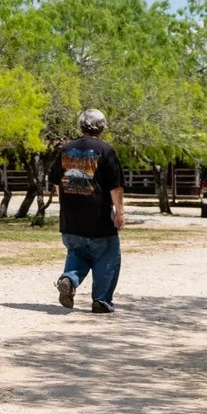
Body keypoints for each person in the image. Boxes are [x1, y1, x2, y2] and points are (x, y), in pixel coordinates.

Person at [48, 109, 124, 314]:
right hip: (98, 218)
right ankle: (101, 301)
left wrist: (65, 205)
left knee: (77, 252)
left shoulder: (65, 149)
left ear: (80, 126)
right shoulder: (106, 150)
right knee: (107, 256)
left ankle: (69, 279)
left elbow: (57, 183)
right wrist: (119, 212)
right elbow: (114, 187)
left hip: (71, 219)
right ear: (102, 127)